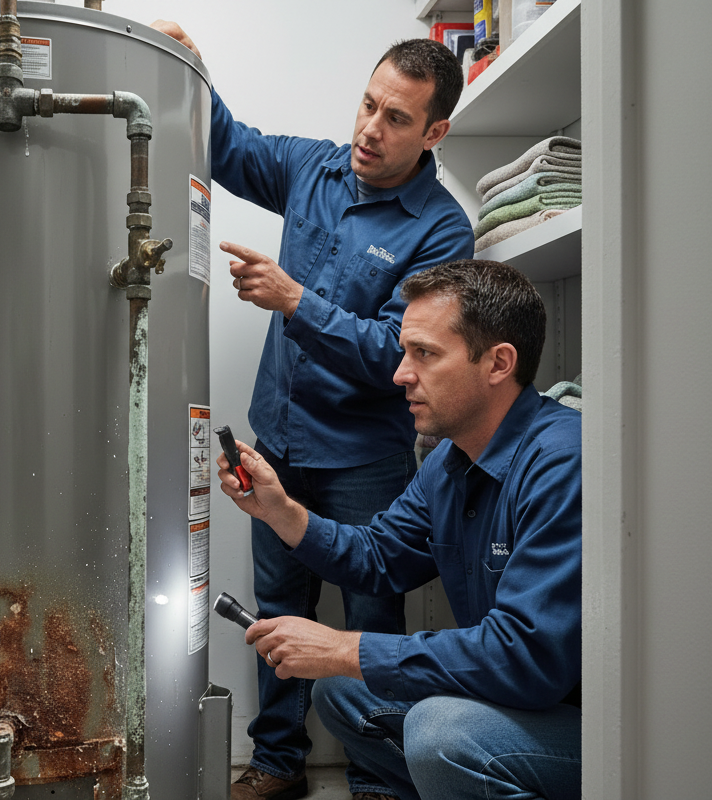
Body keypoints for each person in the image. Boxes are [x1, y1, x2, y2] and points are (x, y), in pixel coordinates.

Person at [151, 21, 476, 800]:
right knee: (277, 609)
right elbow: (230, 146)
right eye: (367, 104)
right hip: (279, 442)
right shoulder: (314, 168)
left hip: (364, 460)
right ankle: (277, 762)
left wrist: (296, 301)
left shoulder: (443, 227)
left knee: (369, 621)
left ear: (434, 132)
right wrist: (193, 67)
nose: (370, 129)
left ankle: (378, 779)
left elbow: (399, 352)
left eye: (396, 118)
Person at [216, 260, 582, 800]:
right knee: (341, 692)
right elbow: (378, 557)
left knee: (440, 734)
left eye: (424, 354)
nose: (400, 374)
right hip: (514, 702)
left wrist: (345, 648)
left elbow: (526, 657)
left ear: (498, 363)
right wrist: (280, 510)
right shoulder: (450, 462)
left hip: (587, 728)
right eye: (405, 352)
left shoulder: (562, 462)